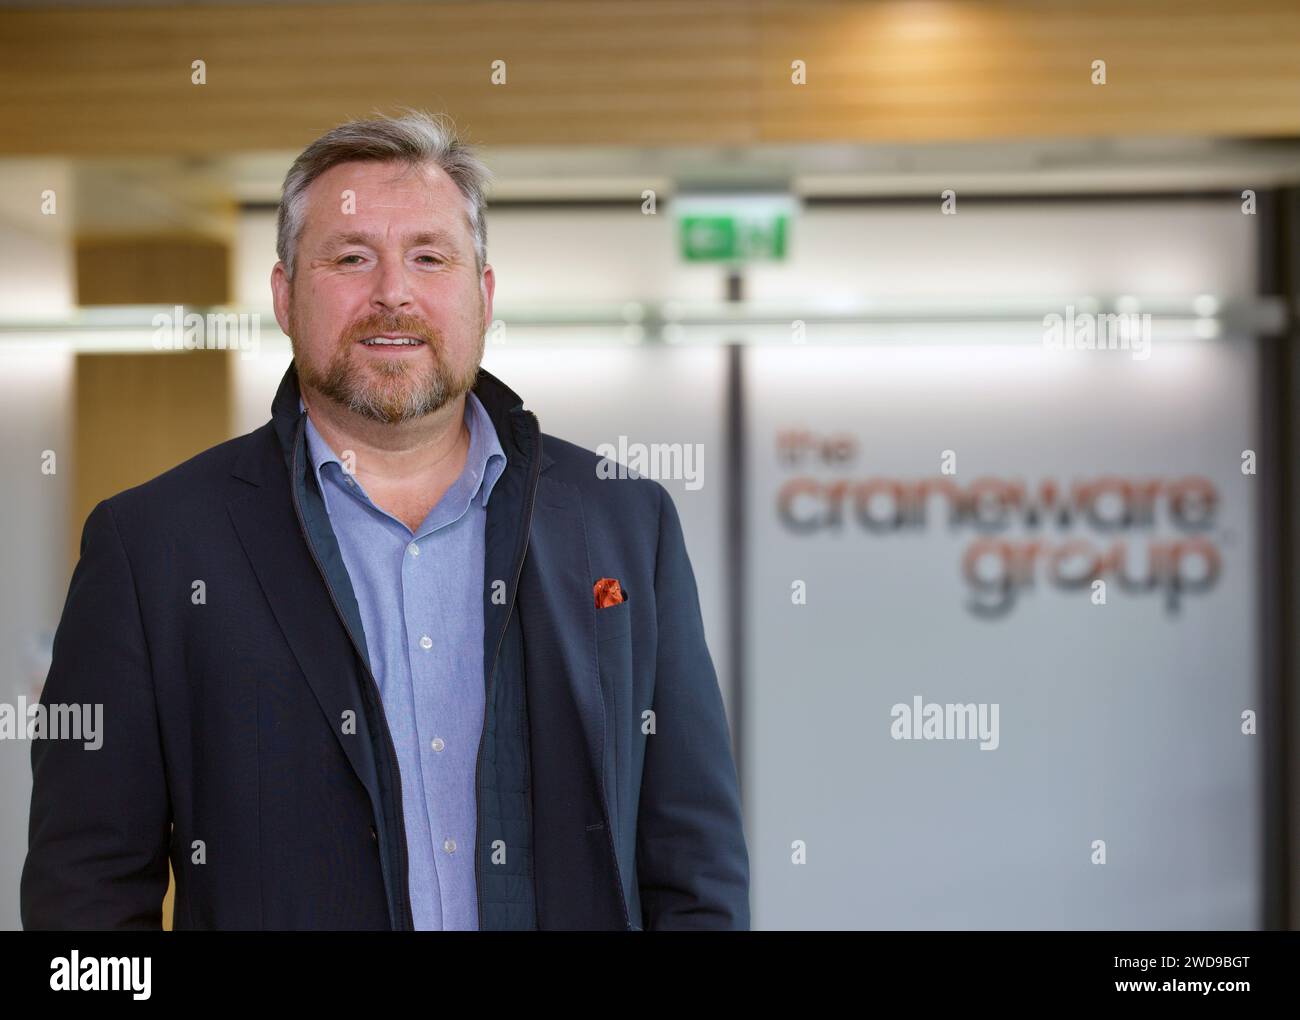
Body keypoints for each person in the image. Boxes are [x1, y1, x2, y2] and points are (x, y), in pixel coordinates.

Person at [21, 110, 749, 931]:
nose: (393, 292)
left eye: (429, 257)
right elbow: (82, 891)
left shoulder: (624, 522)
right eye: (352, 257)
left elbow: (694, 862)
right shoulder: (151, 548)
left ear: (484, 292)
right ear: (285, 294)